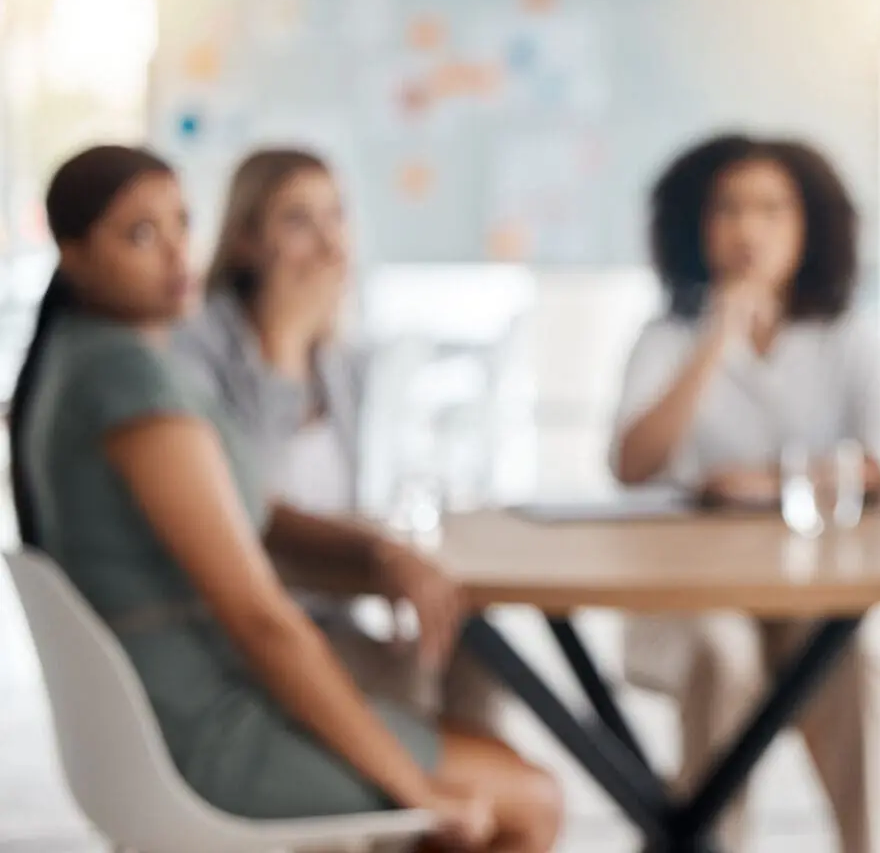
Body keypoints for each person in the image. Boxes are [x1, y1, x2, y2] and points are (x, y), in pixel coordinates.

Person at [11, 145, 562, 852]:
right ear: (73, 255)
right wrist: (412, 786)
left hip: (177, 704)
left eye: (182, 224)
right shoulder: (131, 389)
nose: (177, 254)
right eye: (140, 235)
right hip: (203, 724)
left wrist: (374, 549)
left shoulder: (97, 358)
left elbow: (253, 515)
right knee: (530, 799)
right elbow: (261, 619)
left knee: (470, 733)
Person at [608, 134, 880, 853]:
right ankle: (709, 841)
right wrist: (717, 335)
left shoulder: (851, 335)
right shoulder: (667, 336)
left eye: (773, 210)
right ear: (696, 225)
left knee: (862, 661)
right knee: (721, 655)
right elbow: (631, 462)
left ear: (809, 227)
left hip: (816, 594)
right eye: (729, 210)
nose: (750, 230)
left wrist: (763, 483)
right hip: (694, 598)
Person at [172, 147, 501, 737]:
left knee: (479, 650)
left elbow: (358, 496)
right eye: (298, 221)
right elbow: (244, 506)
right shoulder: (197, 346)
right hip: (245, 625)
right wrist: (279, 348)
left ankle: (459, 820)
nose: (329, 244)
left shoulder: (339, 359)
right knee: (400, 682)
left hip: (331, 604)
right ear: (246, 239)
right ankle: (431, 806)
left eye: (336, 217)